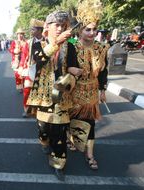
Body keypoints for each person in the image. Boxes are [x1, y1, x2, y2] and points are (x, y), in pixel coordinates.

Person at [26, 10, 73, 180]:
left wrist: (74, 74)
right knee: (44, 129)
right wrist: (56, 43)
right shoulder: (38, 44)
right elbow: (39, 60)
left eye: (63, 25)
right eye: (57, 25)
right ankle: (43, 141)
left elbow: (73, 66)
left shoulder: (70, 45)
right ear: (48, 27)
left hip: (61, 95)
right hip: (43, 95)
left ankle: (59, 163)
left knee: (60, 133)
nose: (60, 28)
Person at [66, 0, 109, 170]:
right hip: (74, 90)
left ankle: (89, 153)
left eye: (94, 29)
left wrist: (102, 89)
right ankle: (73, 139)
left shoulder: (102, 47)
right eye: (88, 29)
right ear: (80, 30)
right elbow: (65, 67)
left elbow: (104, 71)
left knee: (90, 122)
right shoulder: (72, 46)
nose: (92, 33)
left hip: (91, 91)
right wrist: (70, 68)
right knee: (73, 118)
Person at [21, 18, 44, 118]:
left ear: (39, 30)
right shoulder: (29, 42)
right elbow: (24, 55)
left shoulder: (47, 41)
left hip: (43, 71)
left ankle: (39, 110)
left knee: (40, 92)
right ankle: (26, 110)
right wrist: (22, 66)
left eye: (33, 29)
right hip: (30, 69)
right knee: (26, 90)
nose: (31, 31)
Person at [9, 28, 27, 92]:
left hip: (24, 60)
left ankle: (25, 86)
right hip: (16, 60)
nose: (20, 35)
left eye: (21, 34)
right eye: (19, 34)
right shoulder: (14, 42)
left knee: (24, 74)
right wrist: (14, 51)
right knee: (17, 75)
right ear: (17, 35)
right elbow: (10, 49)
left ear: (23, 35)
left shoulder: (26, 42)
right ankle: (19, 87)